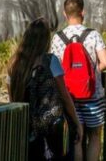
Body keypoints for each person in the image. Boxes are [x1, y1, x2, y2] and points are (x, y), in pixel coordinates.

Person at [7, 17, 83, 160]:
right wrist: (77, 123)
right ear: (45, 40)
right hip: (54, 127)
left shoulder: (14, 64)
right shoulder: (50, 60)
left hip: (27, 129)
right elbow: (65, 96)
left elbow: (12, 98)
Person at [51, 0, 106, 161]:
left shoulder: (57, 38)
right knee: (94, 136)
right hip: (93, 95)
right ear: (83, 12)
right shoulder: (93, 35)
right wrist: (93, 72)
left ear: (64, 13)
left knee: (76, 138)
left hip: (69, 96)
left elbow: (55, 69)